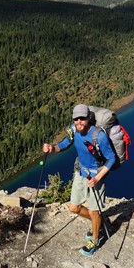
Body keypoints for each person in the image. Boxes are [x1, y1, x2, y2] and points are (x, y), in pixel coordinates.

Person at [43, 103, 116, 256]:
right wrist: (52, 148)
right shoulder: (74, 130)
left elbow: (111, 159)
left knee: (94, 210)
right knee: (73, 208)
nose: (79, 122)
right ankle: (99, 222)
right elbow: (64, 144)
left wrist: (97, 178)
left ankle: (95, 240)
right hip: (80, 173)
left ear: (89, 117)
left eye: (82, 118)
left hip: (96, 176)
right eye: (76, 119)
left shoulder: (99, 136)